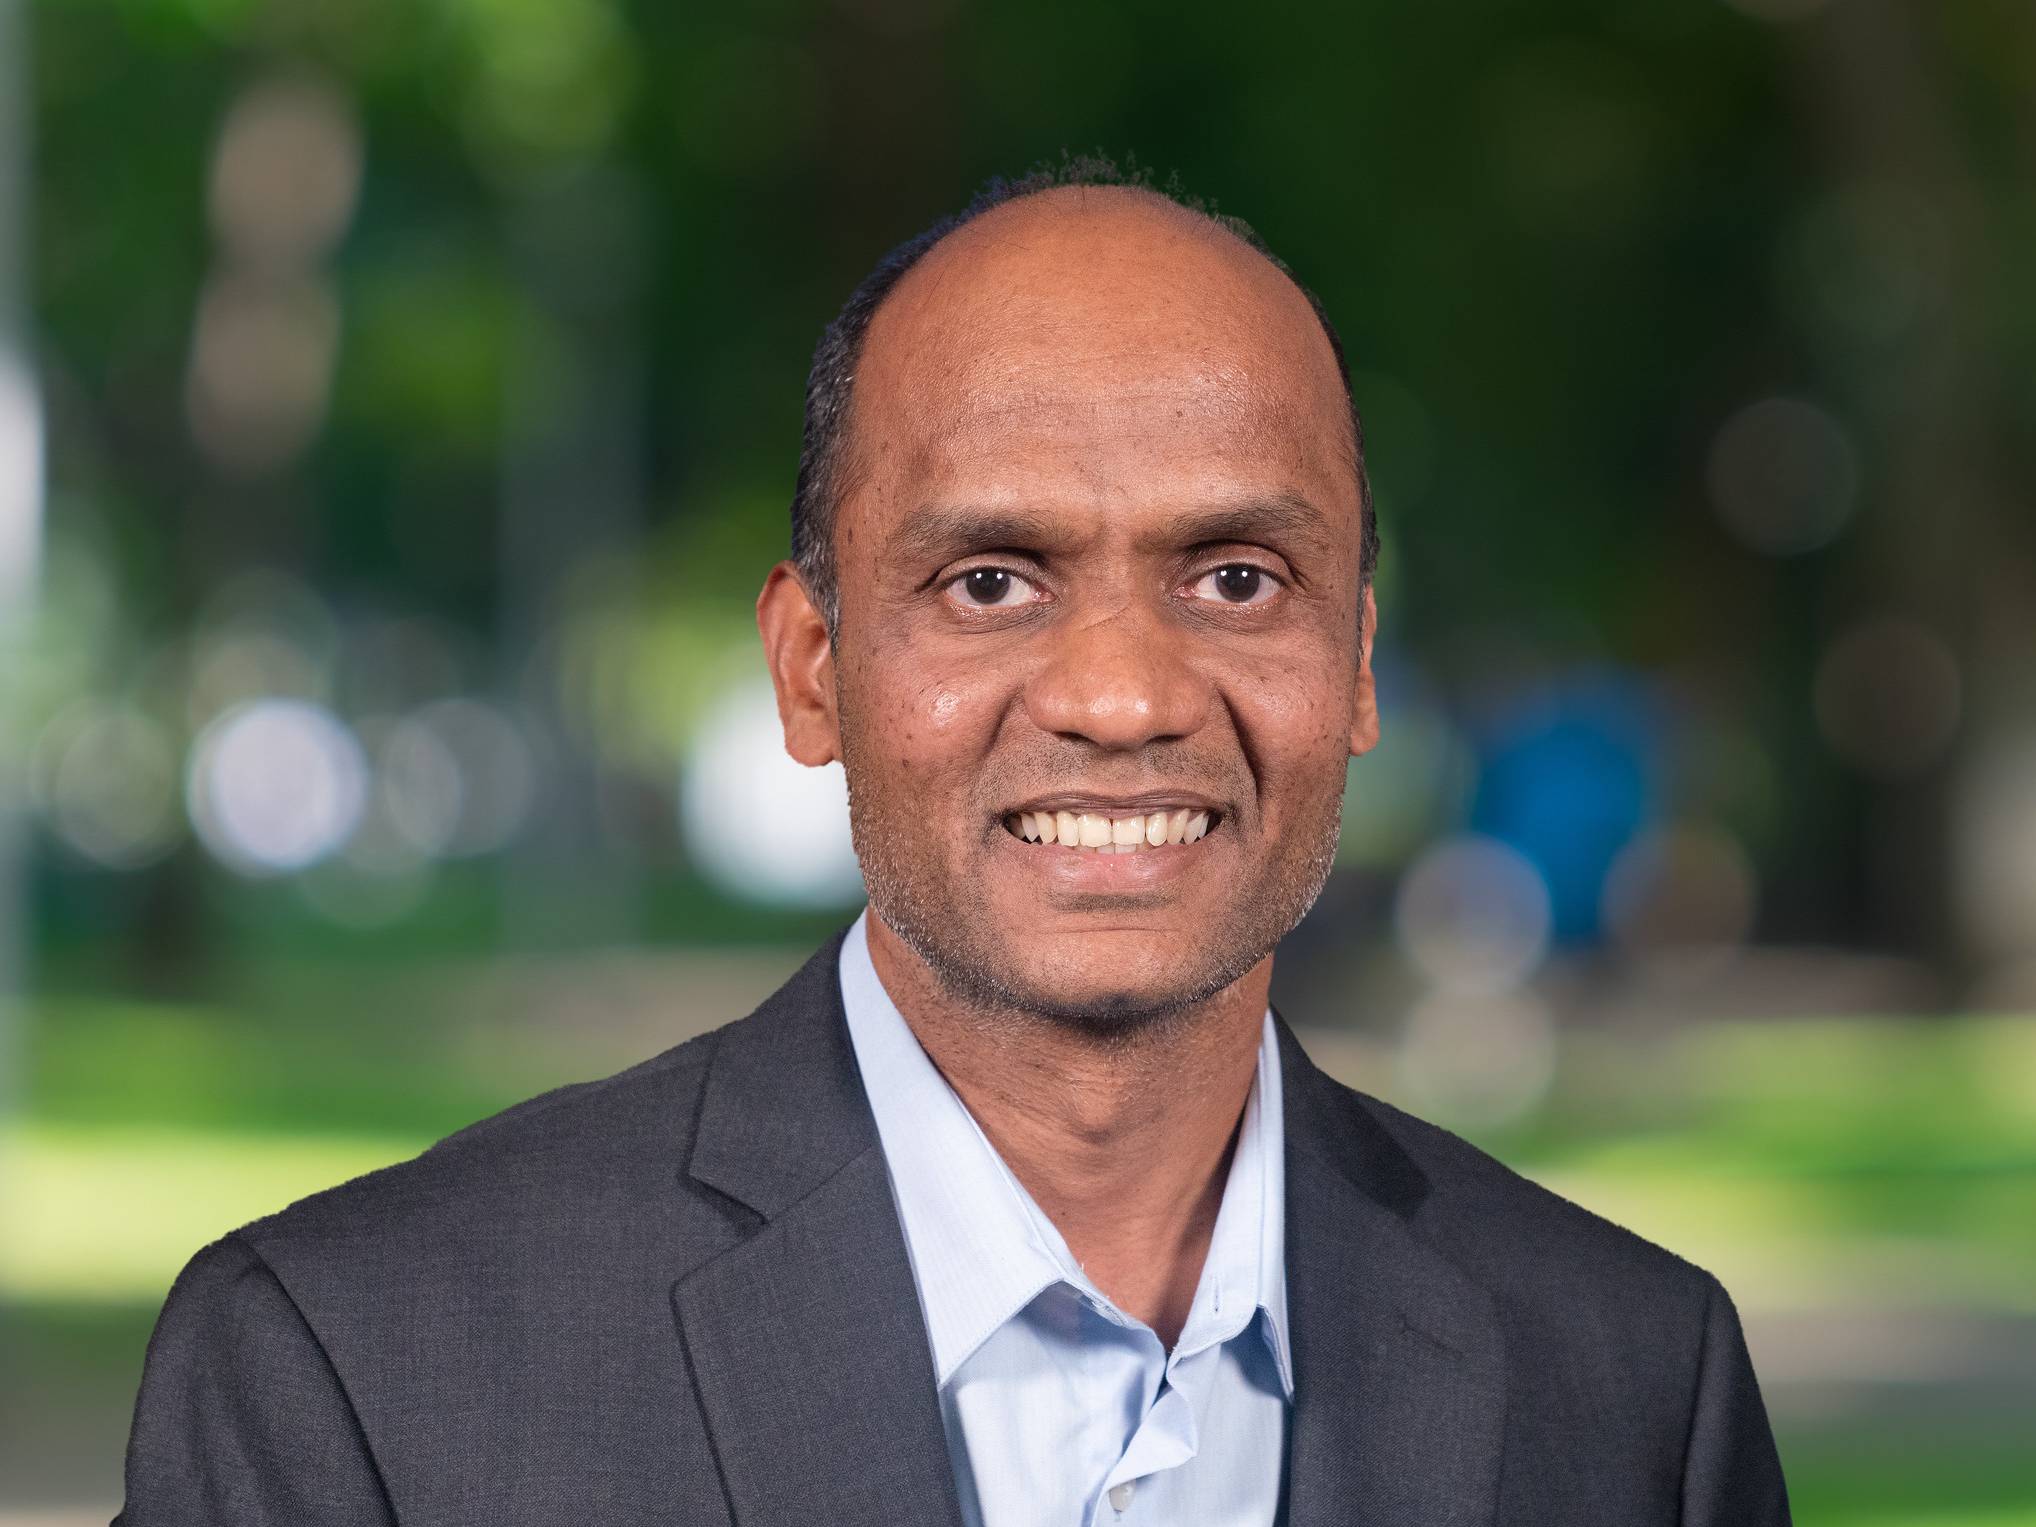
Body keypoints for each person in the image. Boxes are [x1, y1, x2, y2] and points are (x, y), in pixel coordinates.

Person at [116, 161, 1792, 1526]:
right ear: (813, 667)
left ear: (1353, 665)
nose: (1126, 697)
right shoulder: (353, 1376)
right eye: (991, 581)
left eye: (1236, 579)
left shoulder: (1639, 1389)